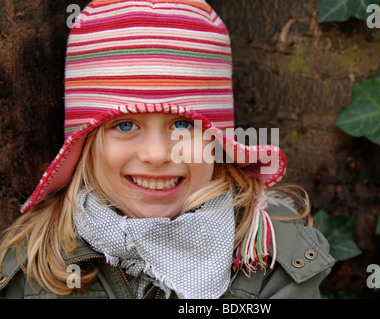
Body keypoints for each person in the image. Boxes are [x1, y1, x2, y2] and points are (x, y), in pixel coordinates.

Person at [0, 0, 334, 299]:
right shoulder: (34, 267)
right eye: (125, 125)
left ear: (215, 142)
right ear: (85, 143)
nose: (158, 154)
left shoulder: (270, 259)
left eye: (184, 124)